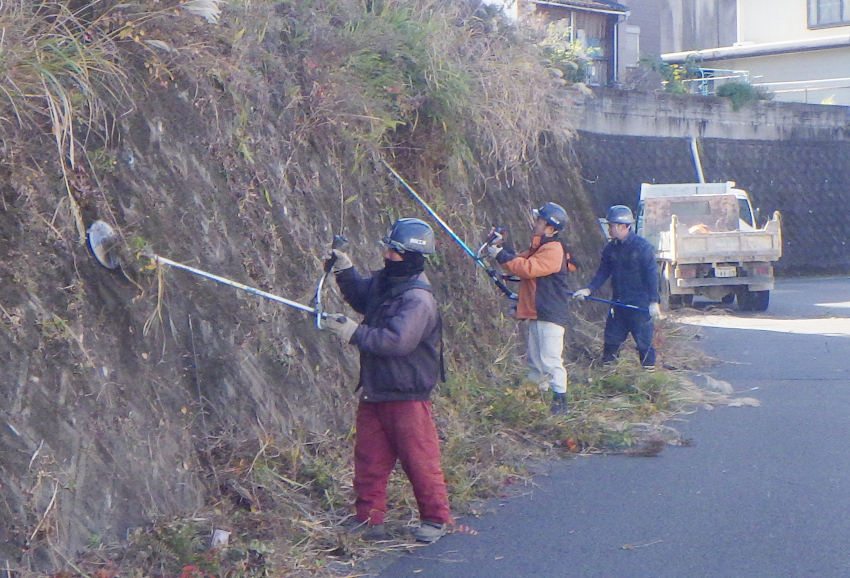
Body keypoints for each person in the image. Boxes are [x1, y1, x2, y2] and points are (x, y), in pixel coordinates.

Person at [323, 218, 453, 543]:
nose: (386, 254)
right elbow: (361, 296)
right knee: (369, 460)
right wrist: (344, 268)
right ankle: (369, 521)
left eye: (393, 250)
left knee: (420, 461)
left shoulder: (418, 301)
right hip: (376, 390)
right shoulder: (387, 282)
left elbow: (396, 341)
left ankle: (435, 520)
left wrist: (352, 332)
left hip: (407, 395)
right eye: (388, 248)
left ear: (410, 255)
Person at [486, 202, 575, 415]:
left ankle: (559, 401)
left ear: (551, 228)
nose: (535, 224)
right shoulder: (541, 248)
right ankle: (536, 399)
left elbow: (527, 268)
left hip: (550, 313)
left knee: (551, 359)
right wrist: (503, 248)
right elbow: (519, 260)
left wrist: (499, 255)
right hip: (538, 312)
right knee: (536, 361)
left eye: (540, 221)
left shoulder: (554, 249)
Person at [572, 205, 662, 369]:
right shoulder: (610, 249)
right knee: (611, 342)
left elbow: (651, 276)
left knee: (644, 345)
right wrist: (588, 289)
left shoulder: (643, 248)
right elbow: (603, 272)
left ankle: (650, 380)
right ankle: (610, 377)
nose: (609, 229)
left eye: (611, 225)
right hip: (619, 304)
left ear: (624, 226)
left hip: (639, 305)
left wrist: (653, 301)